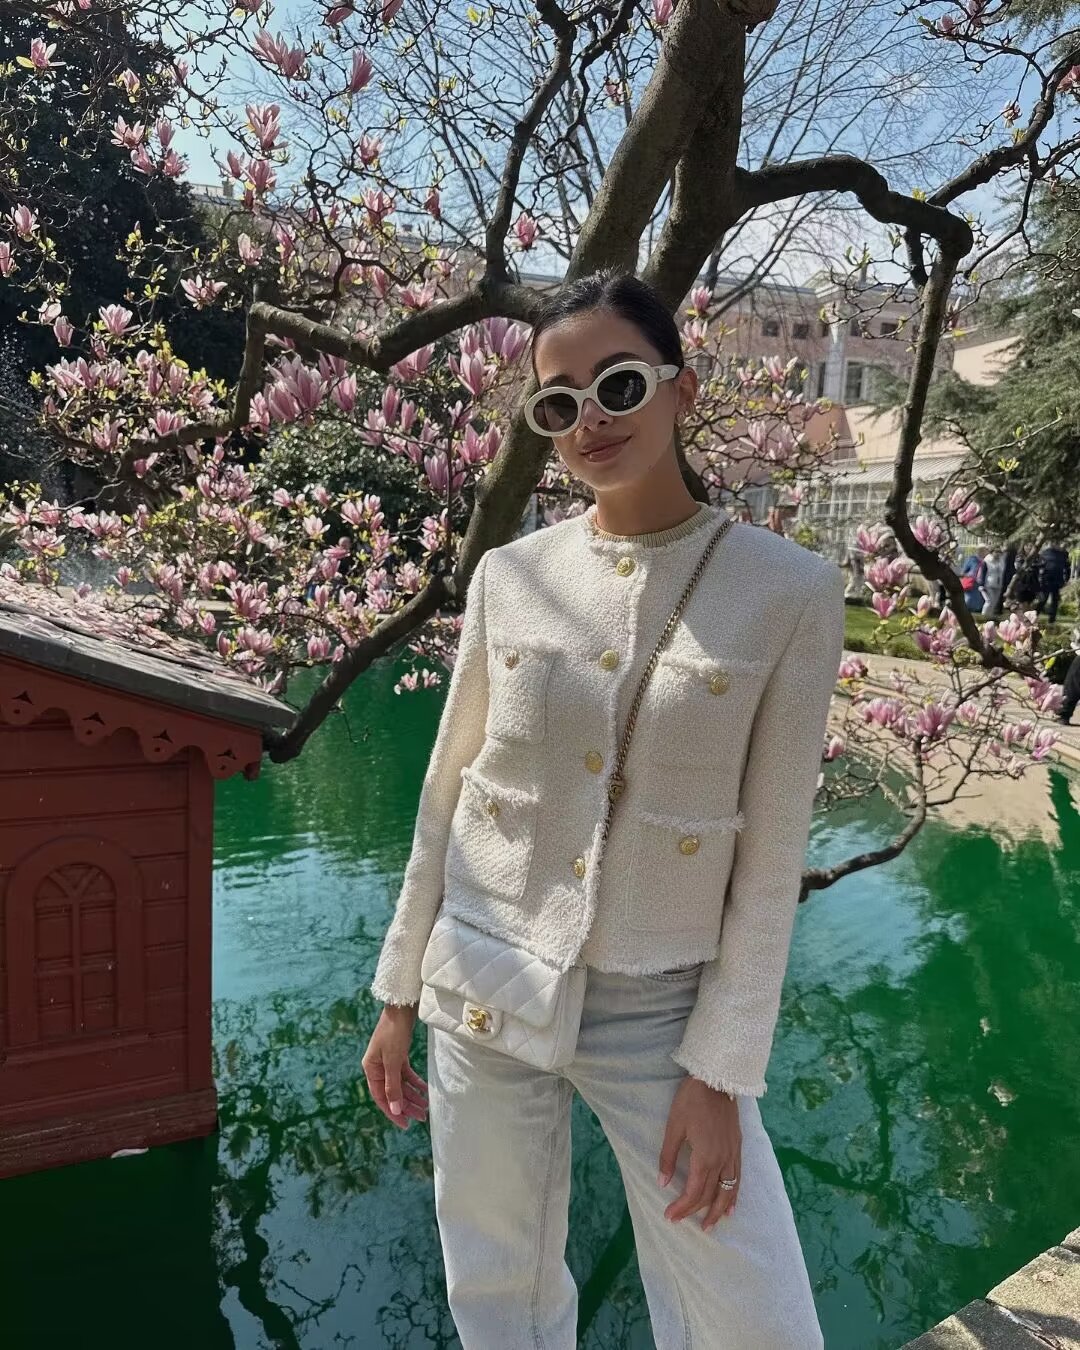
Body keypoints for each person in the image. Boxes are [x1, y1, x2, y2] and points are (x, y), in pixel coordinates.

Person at [362, 270, 843, 1350]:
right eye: (558, 402)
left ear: (682, 388)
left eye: (619, 384)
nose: (591, 419)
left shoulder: (789, 591)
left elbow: (772, 858)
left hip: (660, 1004)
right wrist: (398, 994)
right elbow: (448, 791)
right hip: (482, 971)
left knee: (752, 1312)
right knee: (497, 1286)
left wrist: (720, 1070)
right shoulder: (509, 576)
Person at [1036, 538, 1071, 625]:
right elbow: (1040, 565)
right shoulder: (1045, 553)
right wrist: (1040, 578)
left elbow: (1067, 567)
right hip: (1046, 580)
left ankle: (1052, 619)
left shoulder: (1063, 554)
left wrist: (1066, 579)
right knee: (1043, 599)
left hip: (1057, 580)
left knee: (1055, 601)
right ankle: (1035, 615)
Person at [981, 545, 1006, 619]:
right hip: (988, 584)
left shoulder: (1001, 561)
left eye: (999, 552)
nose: (998, 553)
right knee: (989, 601)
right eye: (996, 552)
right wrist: (982, 584)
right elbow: (983, 573)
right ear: (992, 552)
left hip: (998, 584)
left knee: (994, 602)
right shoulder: (987, 561)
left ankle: (989, 617)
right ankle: (983, 617)